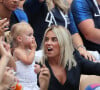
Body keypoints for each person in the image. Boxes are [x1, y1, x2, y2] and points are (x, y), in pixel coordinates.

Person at [35, 25, 100, 90]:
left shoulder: (75, 59)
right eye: (46, 40)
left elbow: (96, 68)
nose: (48, 43)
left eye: (54, 40)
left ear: (64, 43)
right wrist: (43, 87)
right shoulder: (38, 67)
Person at [11, 22, 40, 90]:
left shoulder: (30, 51)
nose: (33, 37)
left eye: (33, 35)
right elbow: (28, 61)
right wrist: (33, 49)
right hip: (22, 85)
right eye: (29, 35)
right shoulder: (17, 51)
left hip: (33, 84)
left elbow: (31, 64)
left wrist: (38, 68)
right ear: (19, 39)